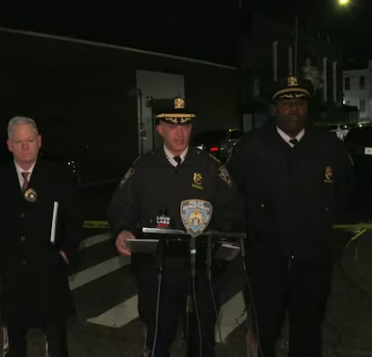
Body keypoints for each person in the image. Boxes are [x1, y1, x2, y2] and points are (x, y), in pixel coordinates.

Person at [226, 76, 355, 357]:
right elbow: (229, 194)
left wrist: (323, 226)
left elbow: (345, 190)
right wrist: (248, 230)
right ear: (275, 108)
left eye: (299, 103)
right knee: (264, 333)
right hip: (266, 265)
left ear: (307, 108)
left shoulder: (328, 146)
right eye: (286, 103)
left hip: (312, 264)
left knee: (308, 333)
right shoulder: (252, 147)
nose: (294, 109)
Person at [107, 97, 240, 357]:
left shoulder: (210, 167)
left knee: (202, 343)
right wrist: (122, 229)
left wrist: (222, 241)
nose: (180, 132)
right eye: (172, 125)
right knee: (158, 341)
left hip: (201, 270)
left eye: (186, 125)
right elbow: (120, 205)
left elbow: (232, 208)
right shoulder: (143, 167)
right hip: (156, 271)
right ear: (159, 128)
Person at [0, 116, 82, 357]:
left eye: (30, 140)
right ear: (9, 145)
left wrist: (64, 255)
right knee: (14, 345)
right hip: (11, 276)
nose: (25, 146)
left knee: (56, 342)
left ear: (39, 141)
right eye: (18, 141)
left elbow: (74, 221)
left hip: (49, 273)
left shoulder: (59, 176)